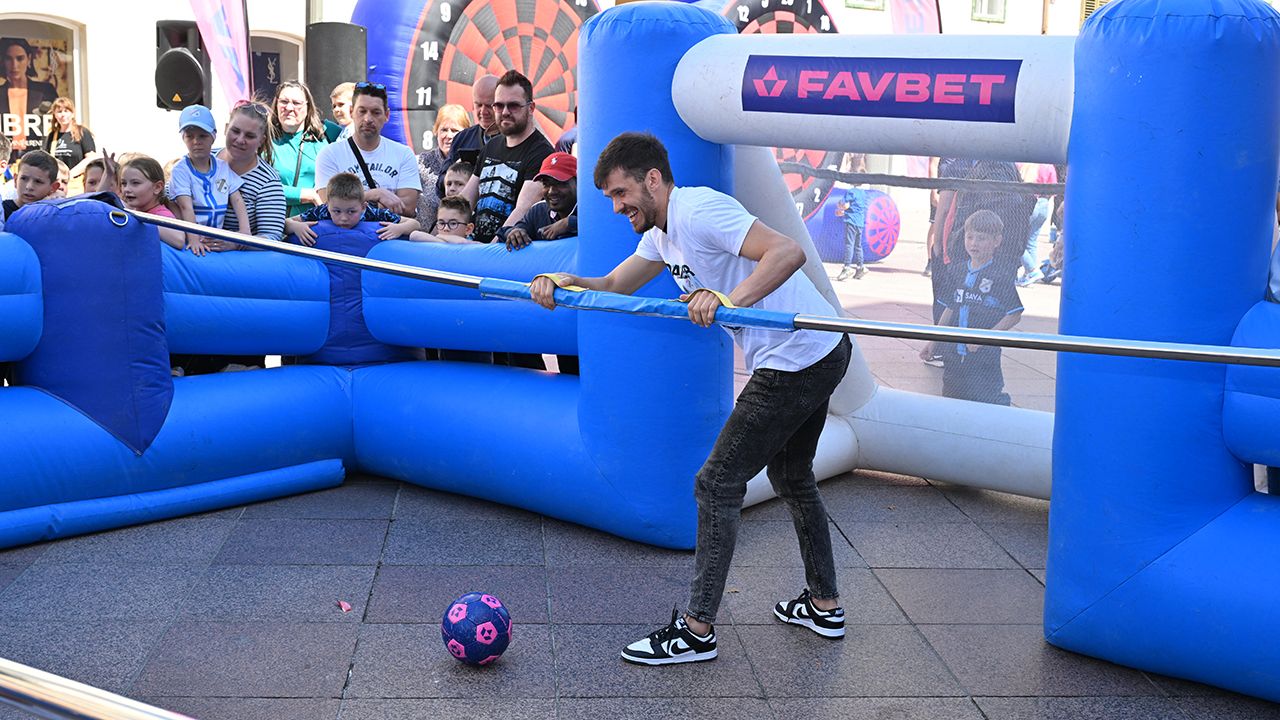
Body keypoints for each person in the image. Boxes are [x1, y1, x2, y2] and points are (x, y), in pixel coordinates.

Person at [529, 132, 852, 665]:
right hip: (818, 349)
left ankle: (697, 630)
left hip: (797, 356)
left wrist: (728, 299)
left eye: (621, 193)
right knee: (792, 477)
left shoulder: (699, 210)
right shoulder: (661, 235)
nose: (617, 207)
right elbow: (613, 285)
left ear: (653, 180)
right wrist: (563, 281)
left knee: (716, 483)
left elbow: (787, 252)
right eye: (609, 197)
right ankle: (824, 604)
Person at [919, 209, 1023, 406]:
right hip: (953, 355)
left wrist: (986, 338)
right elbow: (950, 308)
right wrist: (933, 342)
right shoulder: (956, 270)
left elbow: (1014, 313)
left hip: (983, 359)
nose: (974, 243)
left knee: (987, 400)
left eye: (981, 238)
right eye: (970, 237)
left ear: (996, 241)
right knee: (952, 399)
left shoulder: (1000, 275)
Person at [461, 70, 554, 245]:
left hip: (509, 251)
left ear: (531, 108)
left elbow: (523, 209)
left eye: (513, 105)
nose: (505, 112)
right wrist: (441, 232)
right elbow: (465, 201)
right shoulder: (491, 146)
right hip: (478, 249)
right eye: (498, 105)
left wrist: (490, 251)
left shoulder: (542, 153)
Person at [314, 82, 421, 216]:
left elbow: (408, 207)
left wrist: (352, 203)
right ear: (351, 112)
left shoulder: (403, 154)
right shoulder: (329, 154)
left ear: (387, 115)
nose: (368, 119)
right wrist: (376, 195)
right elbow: (328, 204)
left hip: (391, 229)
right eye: (362, 111)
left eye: (376, 112)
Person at [168, 104, 249, 255]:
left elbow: (237, 199)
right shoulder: (181, 170)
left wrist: (245, 230)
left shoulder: (222, 167)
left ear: (213, 136)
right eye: (190, 136)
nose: (196, 141)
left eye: (202, 136)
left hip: (216, 238)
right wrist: (193, 239)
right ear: (183, 138)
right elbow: (185, 207)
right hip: (194, 238)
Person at [215, 102, 286, 248]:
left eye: (250, 136)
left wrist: (235, 244)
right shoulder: (203, 159)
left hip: (235, 259)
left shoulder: (268, 181)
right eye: (235, 131)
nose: (240, 140)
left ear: (261, 141)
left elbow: (272, 237)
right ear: (226, 128)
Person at [285, 172, 420, 245]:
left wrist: (399, 229)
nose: (344, 218)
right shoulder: (322, 211)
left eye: (351, 211)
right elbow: (285, 222)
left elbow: (414, 224)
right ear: (328, 205)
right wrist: (296, 227)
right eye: (337, 211)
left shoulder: (372, 213)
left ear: (363, 206)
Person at [269, 80, 329, 217]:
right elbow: (258, 186)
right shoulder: (264, 139)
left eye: (296, 103)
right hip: (276, 223)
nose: (289, 107)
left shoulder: (327, 133)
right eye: (284, 102)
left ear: (308, 107)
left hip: (317, 223)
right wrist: (306, 195)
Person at [498, 151, 577, 251]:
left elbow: (596, 227)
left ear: (578, 182)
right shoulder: (538, 210)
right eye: (546, 184)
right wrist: (513, 233)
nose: (551, 191)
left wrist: (570, 223)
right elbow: (505, 231)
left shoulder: (589, 208)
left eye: (559, 183)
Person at [415, 103, 471, 231]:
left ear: (467, 133)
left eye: (455, 131)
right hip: (423, 238)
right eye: (444, 130)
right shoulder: (419, 164)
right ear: (436, 131)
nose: (449, 136)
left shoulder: (474, 164)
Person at [0, 38, 58, 160]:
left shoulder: (45, 91)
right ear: (3, 61)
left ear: (29, 59)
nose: (14, 65)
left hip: (39, 155)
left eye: (20, 58)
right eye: (8, 59)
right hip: (5, 156)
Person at [440, 74, 499, 189]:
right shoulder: (462, 138)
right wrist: (457, 175)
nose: (483, 111)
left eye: (489, 106)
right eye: (478, 105)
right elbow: (440, 182)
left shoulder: (515, 139)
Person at [117, 155, 187, 251]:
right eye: (124, 183)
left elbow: (179, 240)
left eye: (135, 183)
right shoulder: (131, 209)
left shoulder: (161, 215)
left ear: (157, 187)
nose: (126, 189)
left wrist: (141, 221)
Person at [1017, 163, 1057, 286]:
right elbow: (1053, 189)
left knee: (1015, 240)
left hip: (1029, 202)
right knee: (1032, 241)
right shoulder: (1049, 166)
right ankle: (1029, 274)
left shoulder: (1024, 164)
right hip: (1044, 203)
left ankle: (1032, 270)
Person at [835, 152, 868, 281]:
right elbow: (855, 208)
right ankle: (860, 267)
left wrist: (840, 207)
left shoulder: (851, 192)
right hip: (860, 223)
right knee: (858, 246)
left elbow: (844, 205)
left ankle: (847, 267)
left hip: (851, 222)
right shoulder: (863, 193)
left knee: (849, 244)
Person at [42, 97, 95, 177]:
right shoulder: (51, 136)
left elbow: (91, 158)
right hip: (57, 181)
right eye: (59, 112)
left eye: (66, 111)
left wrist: (69, 175)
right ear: (55, 115)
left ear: (72, 114)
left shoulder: (82, 132)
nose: (63, 115)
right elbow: (45, 160)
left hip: (76, 181)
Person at [2, 149, 60, 220]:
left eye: (38, 181)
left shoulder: (55, 215)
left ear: (53, 187)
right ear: (16, 180)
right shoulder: (2, 210)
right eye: (24, 178)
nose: (29, 187)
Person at [408, 195, 478, 244]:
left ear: (468, 229)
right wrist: (442, 238)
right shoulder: (435, 241)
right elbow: (414, 235)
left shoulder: (474, 246)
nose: (446, 228)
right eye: (442, 223)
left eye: (453, 223)